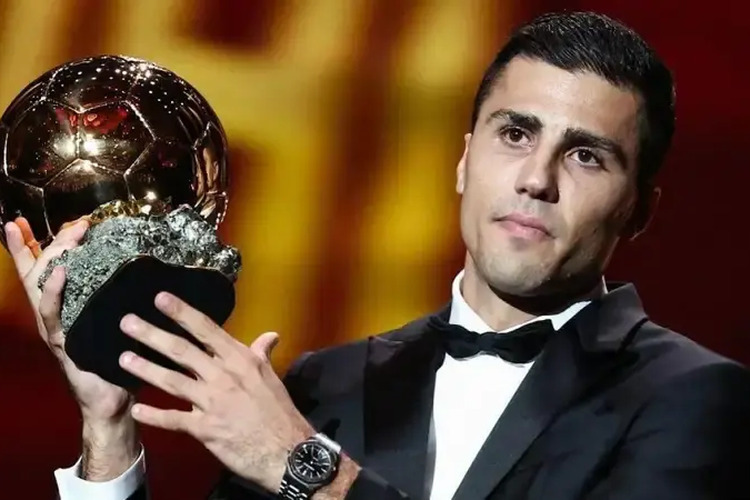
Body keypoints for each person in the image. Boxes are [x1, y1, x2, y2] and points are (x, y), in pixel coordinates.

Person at [6, 10, 750, 500]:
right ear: (465, 161)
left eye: (586, 155)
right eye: (515, 134)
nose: (536, 178)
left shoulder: (694, 399)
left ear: (640, 210)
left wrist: (309, 471)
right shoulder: (326, 387)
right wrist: (107, 429)